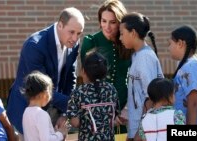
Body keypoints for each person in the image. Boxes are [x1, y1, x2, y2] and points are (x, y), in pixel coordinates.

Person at [6, 7, 85, 138]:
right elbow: (39, 89)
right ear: (60, 25)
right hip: (27, 113)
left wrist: (64, 114)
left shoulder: (74, 44)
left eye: (79, 33)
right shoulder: (35, 45)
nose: (75, 38)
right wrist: (73, 105)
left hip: (55, 110)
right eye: (71, 32)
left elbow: (70, 79)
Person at [80, 0, 132, 133]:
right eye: (104, 21)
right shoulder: (90, 42)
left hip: (125, 110)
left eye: (113, 22)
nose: (107, 27)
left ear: (120, 23)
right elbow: (87, 81)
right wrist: (100, 111)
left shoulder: (127, 43)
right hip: (98, 110)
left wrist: (126, 108)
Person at [119, 12, 164, 140]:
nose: (120, 38)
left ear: (133, 33)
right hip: (136, 130)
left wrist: (141, 132)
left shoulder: (145, 57)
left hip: (144, 133)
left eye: (122, 34)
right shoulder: (136, 55)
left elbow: (150, 97)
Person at [67, 50, 119, 140]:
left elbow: (75, 122)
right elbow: (115, 115)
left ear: (83, 71)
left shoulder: (78, 92)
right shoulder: (111, 89)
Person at [168, 25, 197, 124]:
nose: (168, 48)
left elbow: (194, 102)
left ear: (180, 43)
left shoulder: (191, 66)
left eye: (169, 44)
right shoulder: (188, 65)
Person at [22, 71, 68, 141]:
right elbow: (46, 139)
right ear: (44, 93)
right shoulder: (41, 114)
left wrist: (54, 133)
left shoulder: (26, 112)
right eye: (50, 91)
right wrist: (60, 134)